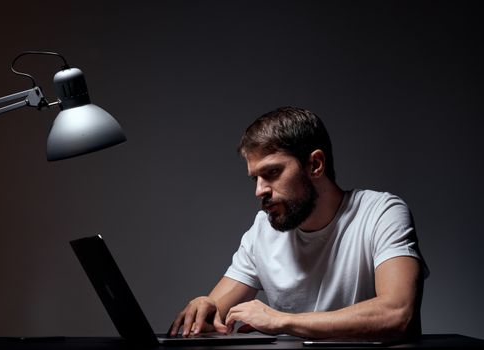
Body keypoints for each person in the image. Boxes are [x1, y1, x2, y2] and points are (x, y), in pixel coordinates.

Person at [169, 106, 428, 341]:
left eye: (272, 173)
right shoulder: (263, 230)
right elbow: (214, 314)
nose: (259, 191)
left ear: (315, 164)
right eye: (254, 179)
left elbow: (398, 314)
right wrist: (205, 307)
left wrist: (281, 320)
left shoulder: (381, 213)